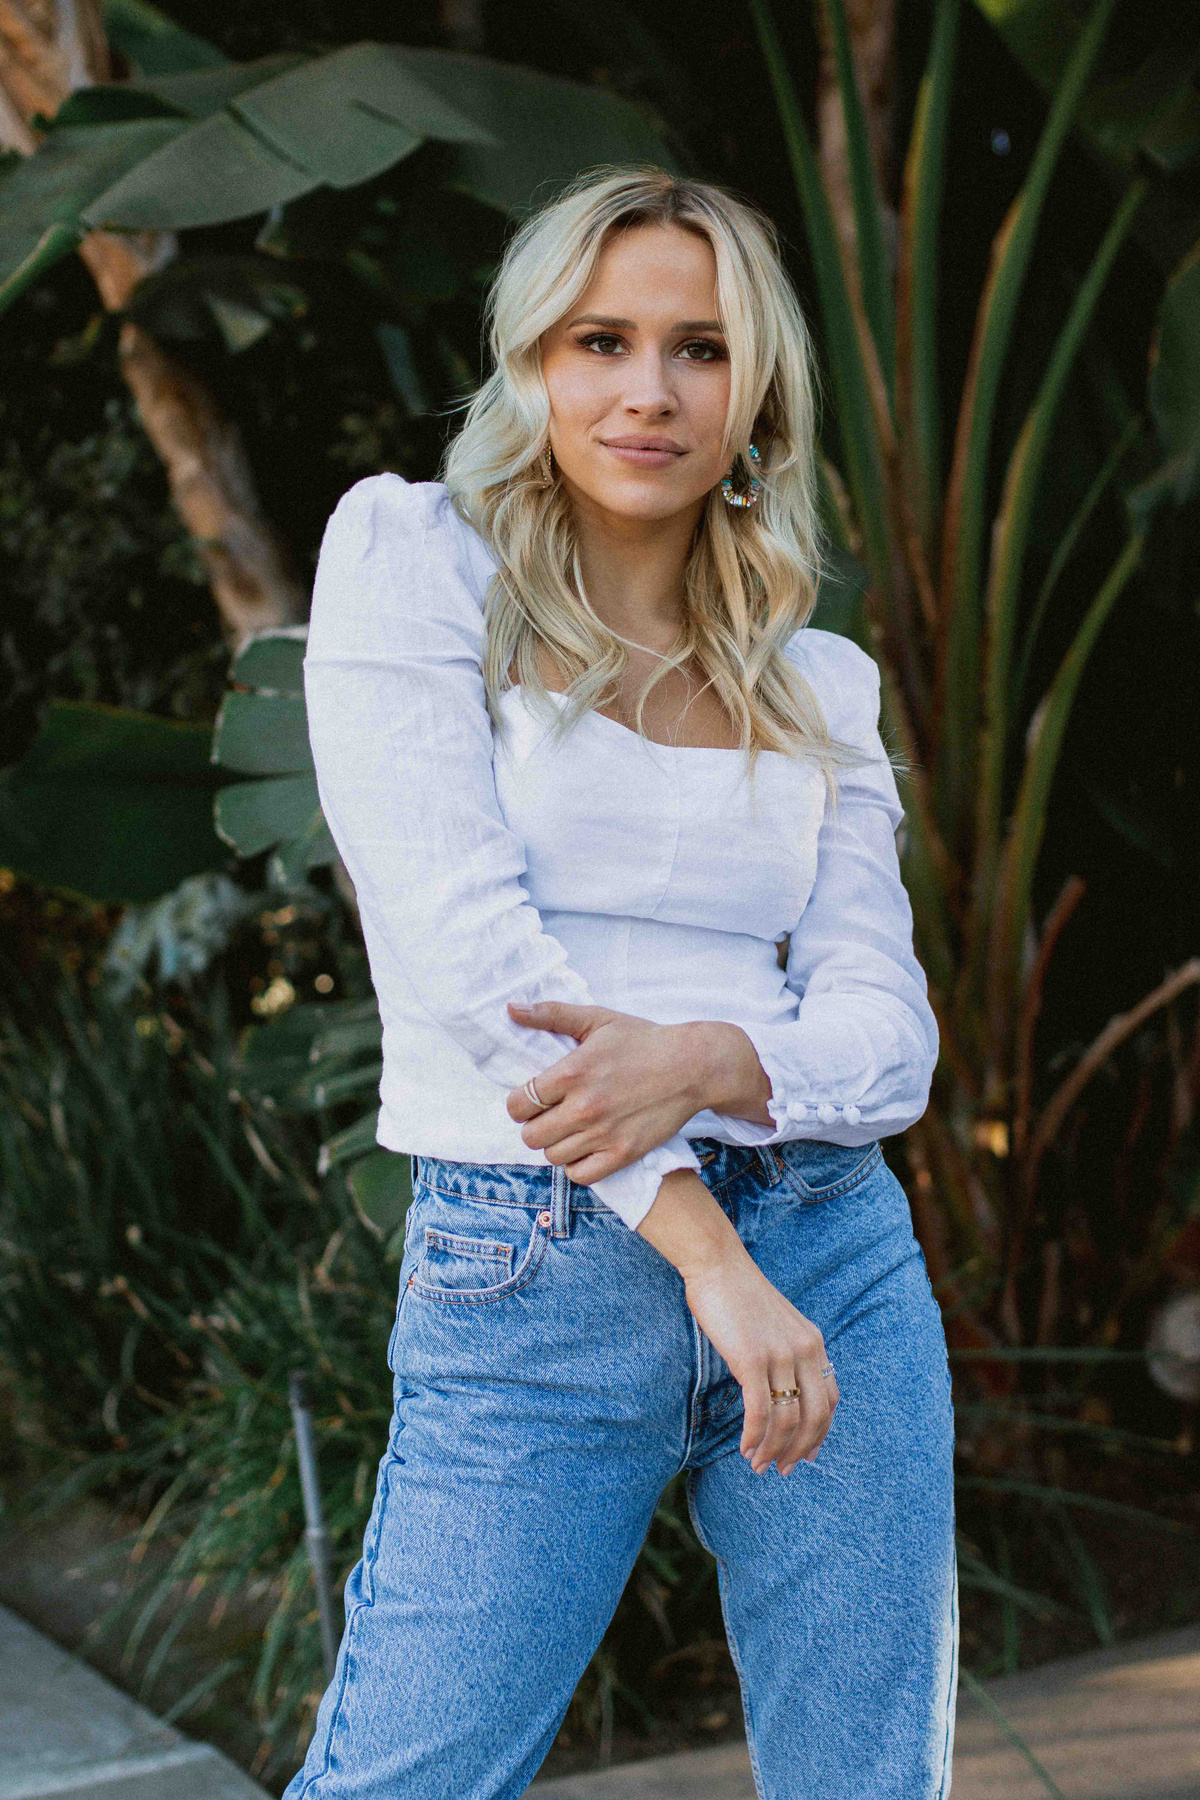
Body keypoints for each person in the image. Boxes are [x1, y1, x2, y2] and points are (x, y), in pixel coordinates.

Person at [284, 165, 956, 1800]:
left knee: (872, 1778)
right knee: (407, 1778)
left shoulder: (822, 683)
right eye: (601, 340)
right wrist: (709, 1253)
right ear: (531, 366)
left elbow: (889, 1039)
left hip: (834, 1248)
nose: (648, 390)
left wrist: (718, 1056)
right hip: (540, 1255)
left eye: (700, 349)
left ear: (757, 393)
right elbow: (460, 952)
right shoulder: (415, 561)